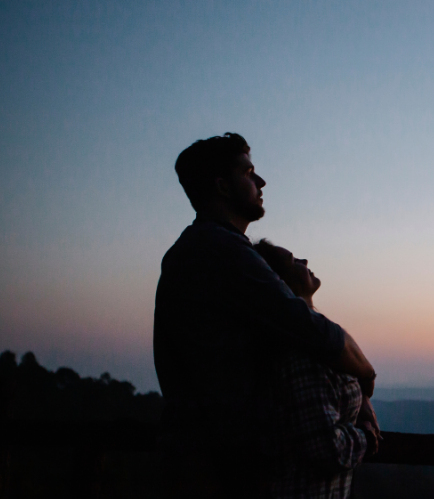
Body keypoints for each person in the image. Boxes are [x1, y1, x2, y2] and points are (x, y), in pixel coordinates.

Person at [153, 133, 379, 499]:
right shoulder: (220, 250)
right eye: (248, 172)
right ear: (222, 186)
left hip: (201, 458)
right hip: (215, 468)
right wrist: (365, 373)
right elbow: (311, 330)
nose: (261, 182)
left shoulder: (191, 251)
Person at [253, 239, 380, 499]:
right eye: (294, 261)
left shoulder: (320, 344)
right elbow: (325, 448)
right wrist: (366, 436)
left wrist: (362, 398)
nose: (305, 261)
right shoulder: (301, 355)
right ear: (280, 282)